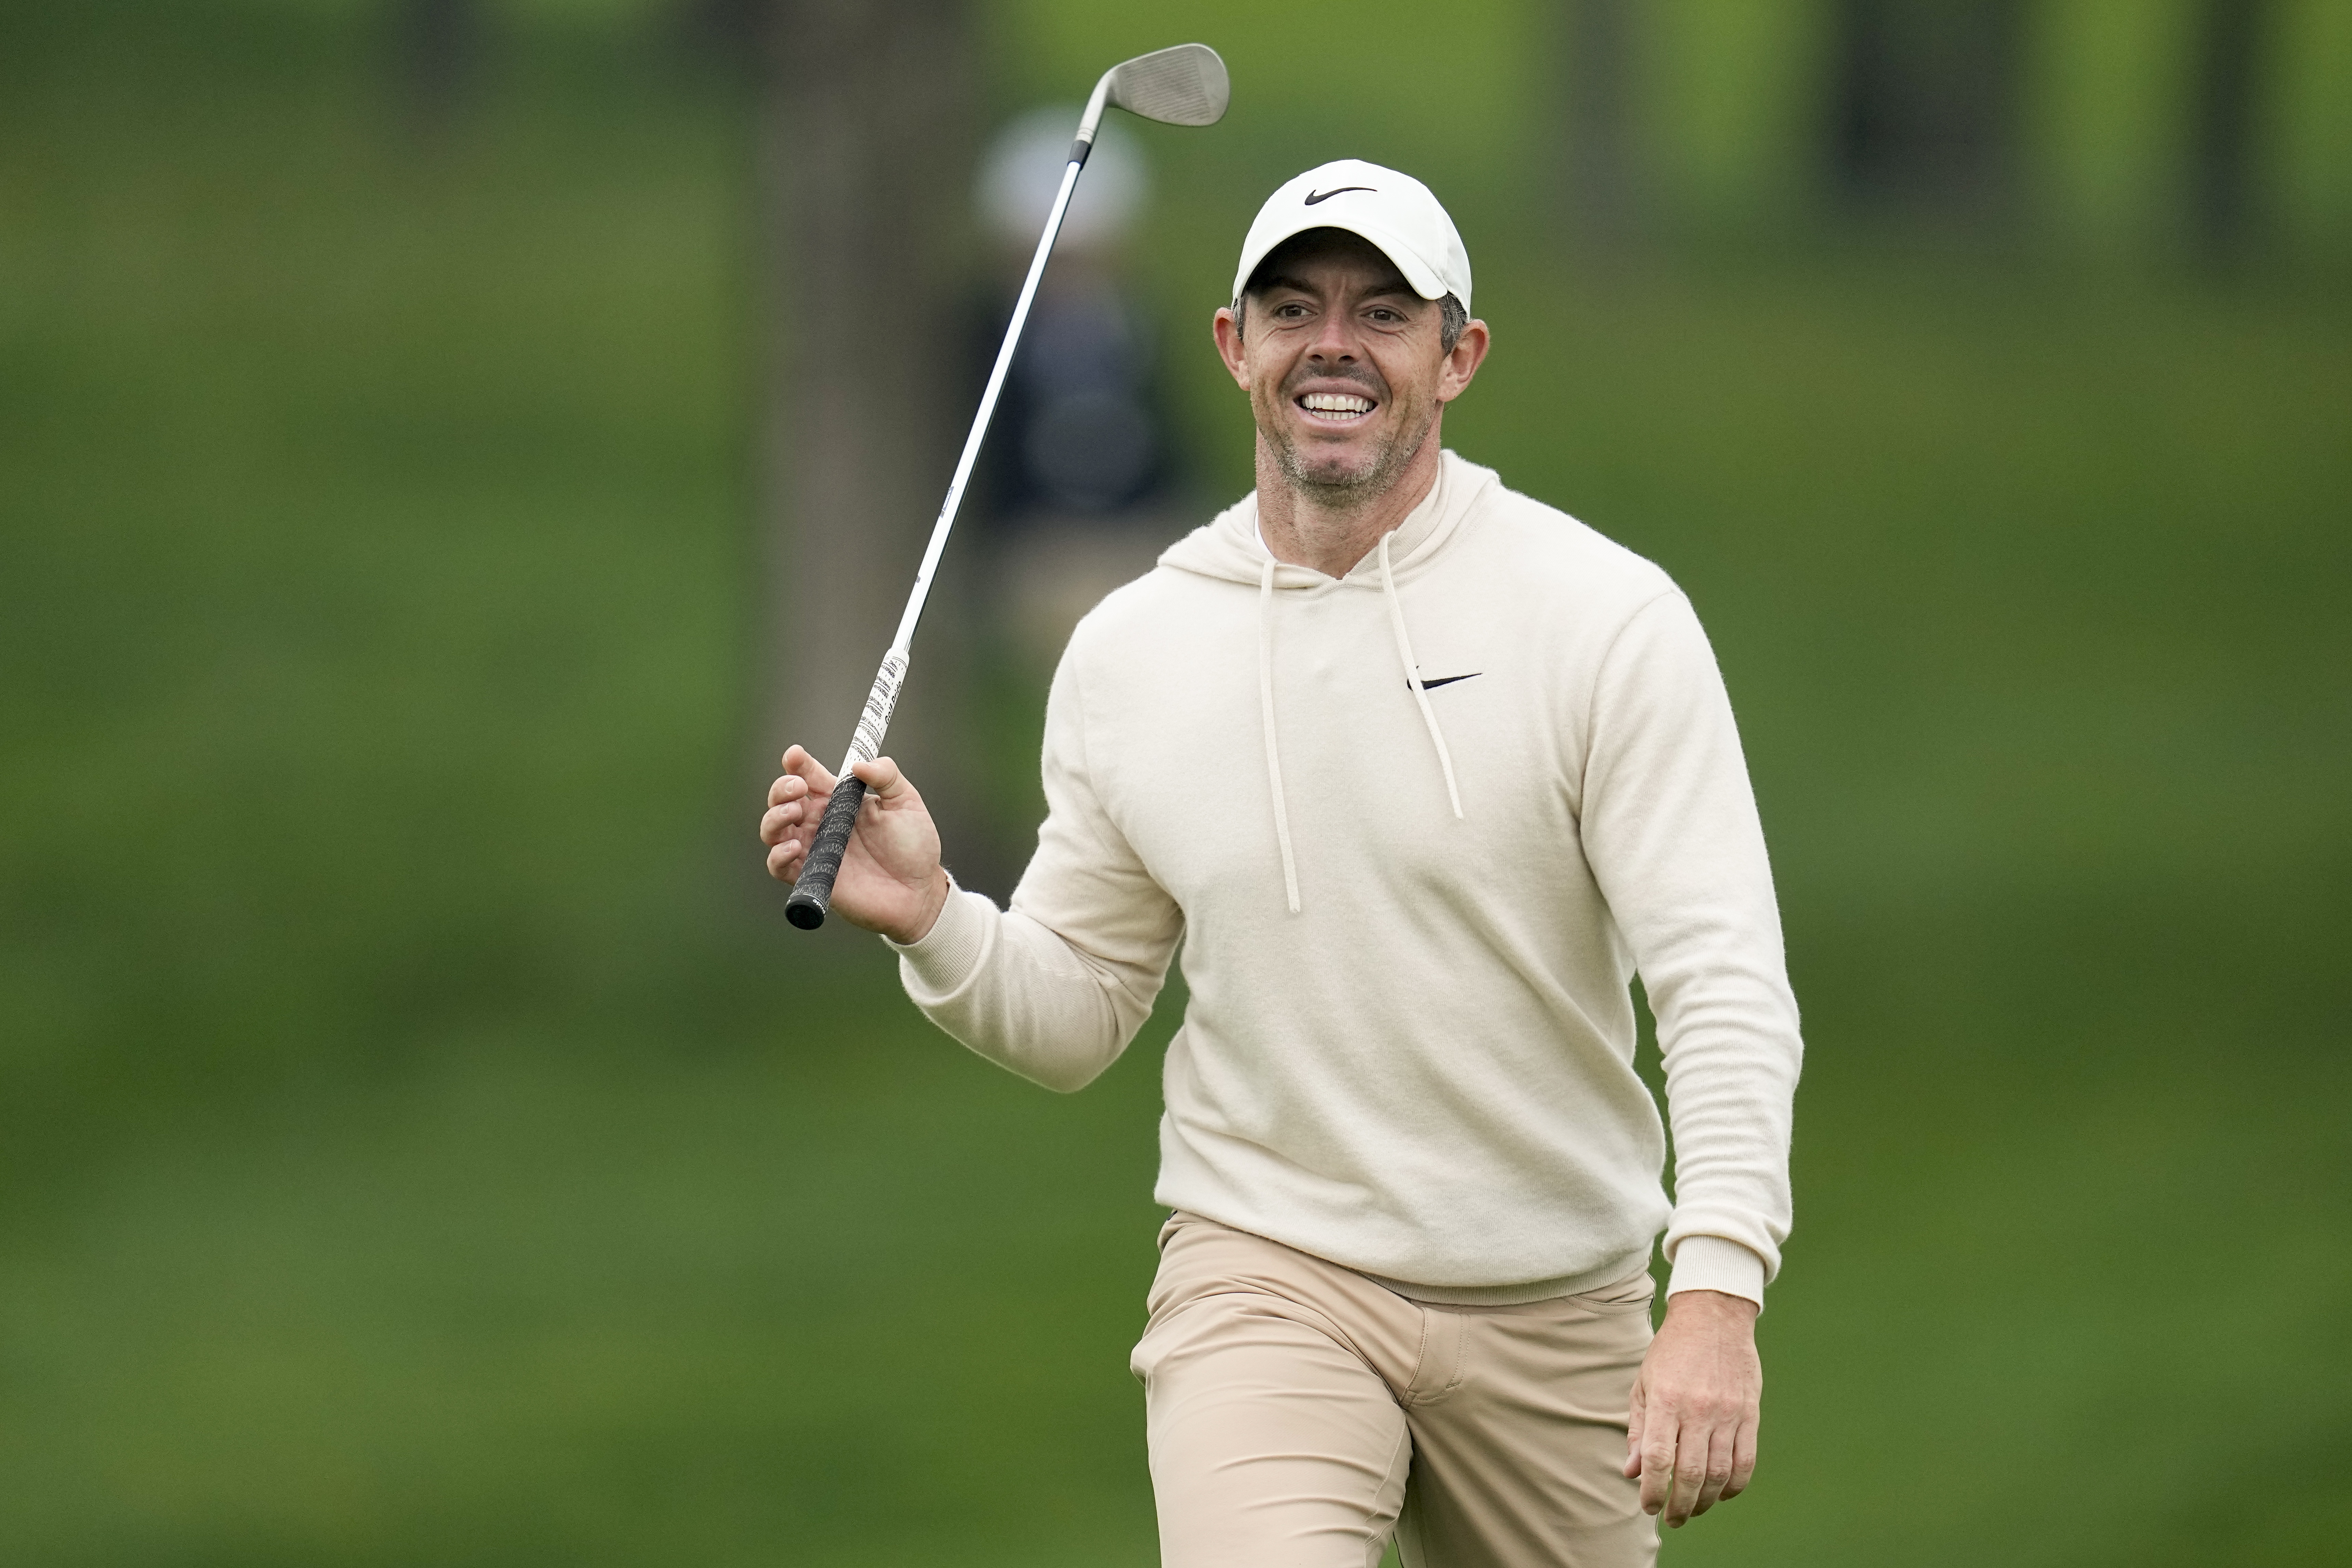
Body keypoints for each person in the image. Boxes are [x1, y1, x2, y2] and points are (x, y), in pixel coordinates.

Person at [760, 159, 1802, 1568]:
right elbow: (1076, 1014)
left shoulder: (1603, 619)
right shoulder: (1135, 649)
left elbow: (1721, 980)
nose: (1333, 344)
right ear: (1230, 345)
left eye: (1384, 313)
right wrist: (937, 919)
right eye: (1294, 306)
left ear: (1458, 357)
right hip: (1269, 1274)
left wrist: (1716, 1298)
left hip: (1556, 1298)